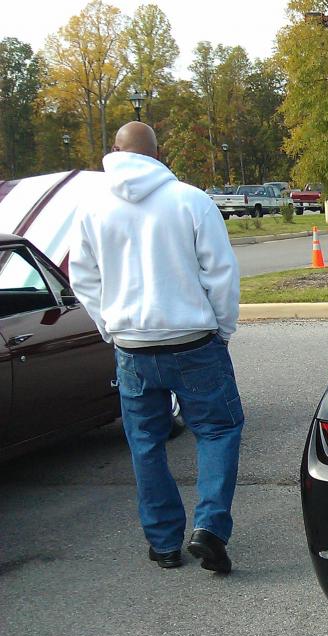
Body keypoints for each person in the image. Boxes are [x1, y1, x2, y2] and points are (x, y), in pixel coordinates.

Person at [70, 121, 243, 573]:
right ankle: (208, 527)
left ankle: (164, 542)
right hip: (192, 341)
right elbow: (220, 273)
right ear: (157, 153)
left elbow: (83, 278)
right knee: (217, 429)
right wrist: (222, 328)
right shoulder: (190, 200)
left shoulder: (92, 208)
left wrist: (110, 326)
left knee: (145, 441)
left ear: (114, 152)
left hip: (132, 345)